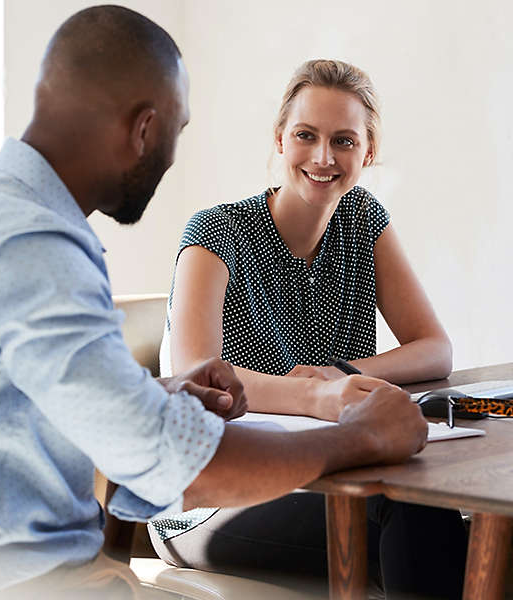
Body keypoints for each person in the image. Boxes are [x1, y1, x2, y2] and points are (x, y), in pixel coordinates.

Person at [0, 9, 428, 600]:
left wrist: (152, 396)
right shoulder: (34, 247)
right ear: (143, 129)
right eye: (177, 130)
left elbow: (17, 410)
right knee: (418, 517)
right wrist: (357, 437)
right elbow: (184, 467)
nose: (172, 157)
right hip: (1, 583)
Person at [153, 59, 467, 599]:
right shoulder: (214, 234)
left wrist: (344, 373)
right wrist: (316, 396)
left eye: (344, 141)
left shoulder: (364, 221)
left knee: (479, 531)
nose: (324, 157)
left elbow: (435, 349)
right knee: (416, 518)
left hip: (330, 473)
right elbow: (193, 378)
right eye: (306, 135)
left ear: (367, 153)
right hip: (209, 501)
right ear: (280, 139)